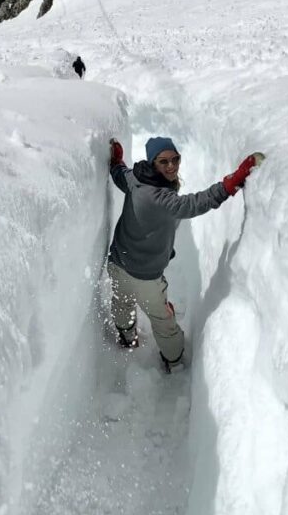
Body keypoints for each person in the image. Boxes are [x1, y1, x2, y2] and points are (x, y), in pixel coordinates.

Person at [107, 136, 264, 371]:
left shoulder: (134, 178)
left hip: (118, 263)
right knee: (163, 322)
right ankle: (174, 361)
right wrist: (231, 183)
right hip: (146, 278)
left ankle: (127, 338)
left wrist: (116, 161)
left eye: (175, 159)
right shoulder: (161, 198)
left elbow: (119, 173)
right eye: (164, 162)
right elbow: (195, 204)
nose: (171, 166)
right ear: (152, 163)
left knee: (122, 303)